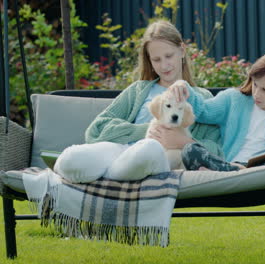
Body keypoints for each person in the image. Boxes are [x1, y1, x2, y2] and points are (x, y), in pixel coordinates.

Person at [54, 20, 221, 183]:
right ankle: (111, 174)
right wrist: (146, 130)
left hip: (162, 159)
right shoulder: (139, 90)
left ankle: (105, 176)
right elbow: (95, 130)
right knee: (71, 158)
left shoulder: (201, 97)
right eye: (156, 59)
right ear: (149, 60)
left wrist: (182, 141)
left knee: (150, 149)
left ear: (182, 51)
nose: (164, 65)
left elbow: (218, 151)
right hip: (123, 150)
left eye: (169, 56)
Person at [169, 51, 265, 171]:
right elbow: (203, 111)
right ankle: (236, 171)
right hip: (230, 165)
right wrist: (183, 86)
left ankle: (252, 173)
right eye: (255, 85)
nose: (257, 94)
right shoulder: (233, 99)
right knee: (189, 151)